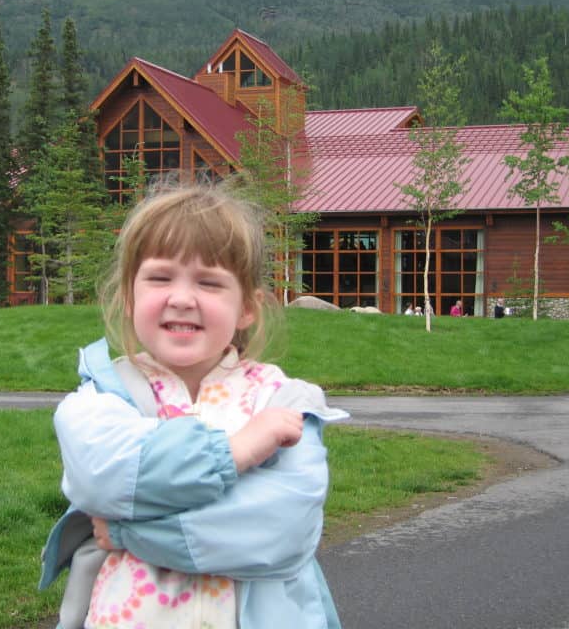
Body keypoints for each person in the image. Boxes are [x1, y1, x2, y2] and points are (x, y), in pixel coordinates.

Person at [39, 184, 349, 629]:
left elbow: (283, 531)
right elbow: (104, 476)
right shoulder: (101, 398)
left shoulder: (284, 402)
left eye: (208, 282)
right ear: (128, 296)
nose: (182, 298)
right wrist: (235, 453)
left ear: (247, 308)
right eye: (161, 277)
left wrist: (127, 531)